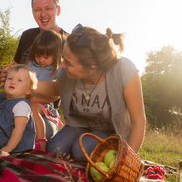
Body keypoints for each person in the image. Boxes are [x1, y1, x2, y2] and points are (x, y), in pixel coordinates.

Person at [34, 24, 146, 160]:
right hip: (79, 125)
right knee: (54, 149)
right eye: (63, 57)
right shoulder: (66, 71)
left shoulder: (124, 71)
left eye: (68, 63)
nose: (62, 65)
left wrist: (126, 161)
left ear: (91, 69)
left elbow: (138, 121)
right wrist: (29, 83)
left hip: (110, 130)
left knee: (80, 151)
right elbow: (55, 88)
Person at [0, 0, 68, 140]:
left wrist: (30, 94)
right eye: (38, 9)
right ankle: (13, 131)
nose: (43, 14)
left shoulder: (67, 42)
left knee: (45, 129)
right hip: (15, 99)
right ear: (33, 12)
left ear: (58, 10)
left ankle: (7, 130)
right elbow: (14, 71)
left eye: (48, 8)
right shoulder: (27, 36)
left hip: (41, 107)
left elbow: (59, 89)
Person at [26, 30, 64, 151]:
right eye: (38, 56)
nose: (41, 60)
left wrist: (36, 99)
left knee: (33, 108)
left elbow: (56, 95)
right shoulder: (31, 65)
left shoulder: (57, 70)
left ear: (56, 55)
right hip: (25, 98)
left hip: (43, 103)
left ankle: (41, 141)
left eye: (46, 57)